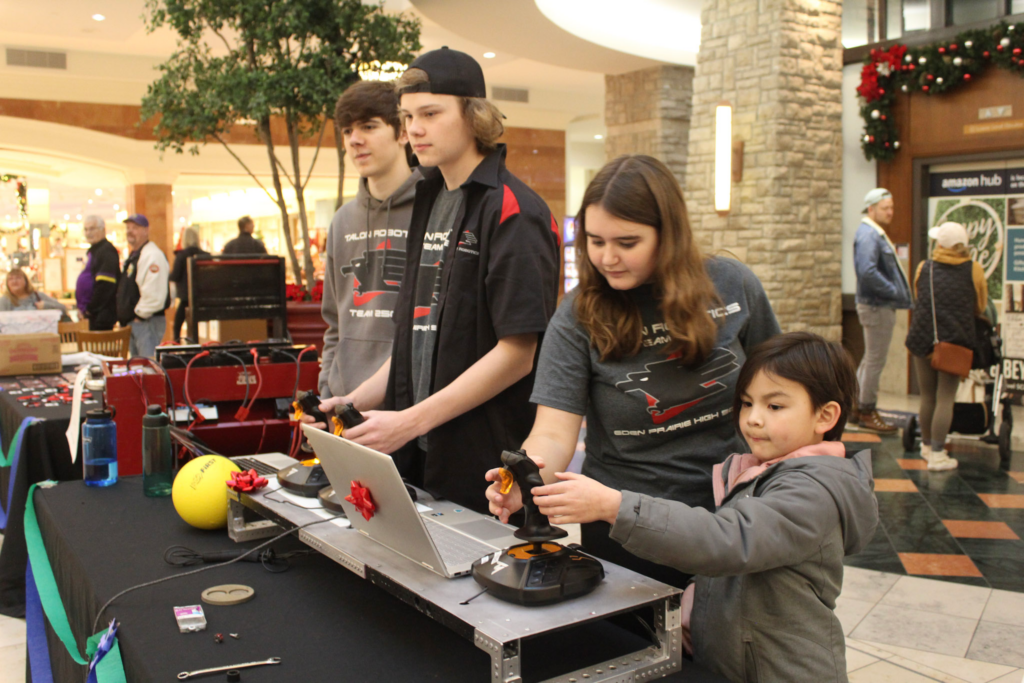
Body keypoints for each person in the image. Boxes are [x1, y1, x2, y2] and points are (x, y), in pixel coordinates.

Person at [498, 332, 875, 682]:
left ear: (825, 416)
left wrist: (615, 506)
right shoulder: (756, 472)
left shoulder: (812, 490)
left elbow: (729, 541)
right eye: (746, 403)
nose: (754, 418)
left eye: (775, 405)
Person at [485, 154, 781, 587]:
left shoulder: (732, 284)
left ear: (668, 234)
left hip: (731, 513)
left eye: (627, 243)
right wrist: (524, 479)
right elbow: (553, 434)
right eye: (595, 241)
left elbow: (782, 388)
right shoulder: (578, 316)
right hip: (624, 520)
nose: (608, 258)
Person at [321, 47, 560, 513]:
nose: (414, 129)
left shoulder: (514, 210)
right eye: (408, 116)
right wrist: (353, 401)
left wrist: (409, 421)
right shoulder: (429, 198)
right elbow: (415, 335)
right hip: (419, 453)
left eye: (430, 114)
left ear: (474, 115)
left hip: (486, 466)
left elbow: (518, 354)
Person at [319, 80, 422, 400]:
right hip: (344, 402)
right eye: (348, 131)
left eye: (368, 126)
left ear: (402, 132)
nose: (355, 140)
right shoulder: (342, 221)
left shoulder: (434, 211)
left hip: (409, 403)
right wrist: (326, 390)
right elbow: (334, 324)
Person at [905, 222, 987, 471]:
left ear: (940, 244)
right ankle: (938, 455)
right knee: (945, 399)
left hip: (922, 339)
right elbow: (980, 305)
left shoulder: (924, 267)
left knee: (927, 396)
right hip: (954, 342)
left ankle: (927, 446)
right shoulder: (974, 269)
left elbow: (919, 296)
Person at [853, 187, 911, 433]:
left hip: (876, 304)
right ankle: (866, 410)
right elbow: (867, 272)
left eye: (892, 208)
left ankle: (857, 407)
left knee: (870, 359)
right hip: (877, 305)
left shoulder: (872, 233)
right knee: (875, 361)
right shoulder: (869, 235)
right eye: (885, 208)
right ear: (871, 209)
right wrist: (893, 290)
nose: (890, 212)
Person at [116, 214, 170, 358]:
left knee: (147, 365)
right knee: (137, 366)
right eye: (128, 228)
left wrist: (139, 317)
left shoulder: (152, 255)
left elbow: (154, 294)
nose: (130, 231)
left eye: (135, 228)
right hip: (135, 323)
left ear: (146, 230)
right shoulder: (136, 255)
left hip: (147, 322)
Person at [75, 215, 120, 330]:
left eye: (92, 229)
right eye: (86, 229)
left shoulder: (106, 251)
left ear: (103, 230)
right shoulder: (96, 250)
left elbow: (105, 286)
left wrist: (90, 309)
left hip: (101, 317)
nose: (88, 233)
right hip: (93, 317)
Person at [169, 227, 209, 342]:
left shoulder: (181, 255)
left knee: (177, 326)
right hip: (203, 297)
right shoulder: (205, 255)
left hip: (186, 297)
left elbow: (175, 276)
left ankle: (178, 346)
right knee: (196, 327)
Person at [0, 268, 68, 316]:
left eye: (18, 278)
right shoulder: (4, 301)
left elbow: (63, 308)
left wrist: (46, 306)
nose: (14, 281)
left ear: (26, 281)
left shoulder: (38, 296)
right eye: (10, 279)